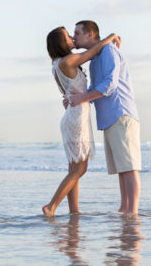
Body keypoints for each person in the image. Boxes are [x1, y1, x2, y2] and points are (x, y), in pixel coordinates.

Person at [42, 27, 120, 216]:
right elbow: (94, 51)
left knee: (74, 168)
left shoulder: (57, 62)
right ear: (61, 43)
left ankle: (74, 212)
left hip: (73, 114)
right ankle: (51, 206)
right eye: (68, 36)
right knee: (80, 169)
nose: (71, 38)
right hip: (76, 118)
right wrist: (111, 36)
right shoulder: (69, 60)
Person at [67, 20, 141, 216]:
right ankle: (124, 208)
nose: (74, 36)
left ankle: (131, 212)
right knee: (121, 168)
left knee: (129, 166)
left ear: (90, 34)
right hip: (108, 117)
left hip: (121, 112)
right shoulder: (95, 59)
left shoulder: (108, 51)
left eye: (77, 32)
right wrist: (75, 100)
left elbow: (110, 84)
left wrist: (83, 97)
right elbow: (93, 88)